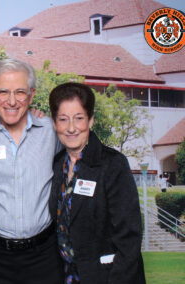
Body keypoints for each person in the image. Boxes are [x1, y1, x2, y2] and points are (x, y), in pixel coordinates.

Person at [0, 58, 64, 284]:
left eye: (20, 92)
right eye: (3, 92)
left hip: (44, 255)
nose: (11, 101)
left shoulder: (51, 130)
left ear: (31, 94)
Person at [48, 82, 146, 284]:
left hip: (108, 277)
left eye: (79, 118)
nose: (71, 128)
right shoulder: (56, 165)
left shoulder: (112, 164)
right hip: (66, 276)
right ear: (54, 123)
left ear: (91, 120)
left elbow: (129, 239)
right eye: (63, 120)